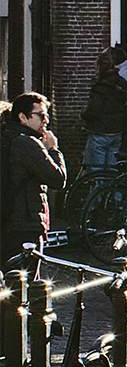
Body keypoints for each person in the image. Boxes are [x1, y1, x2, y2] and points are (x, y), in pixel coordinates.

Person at [2, 92, 68, 268]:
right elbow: (58, 179)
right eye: (41, 115)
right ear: (23, 117)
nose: (46, 120)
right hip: (25, 225)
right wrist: (54, 150)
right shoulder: (28, 144)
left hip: (7, 220)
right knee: (28, 286)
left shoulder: (7, 137)